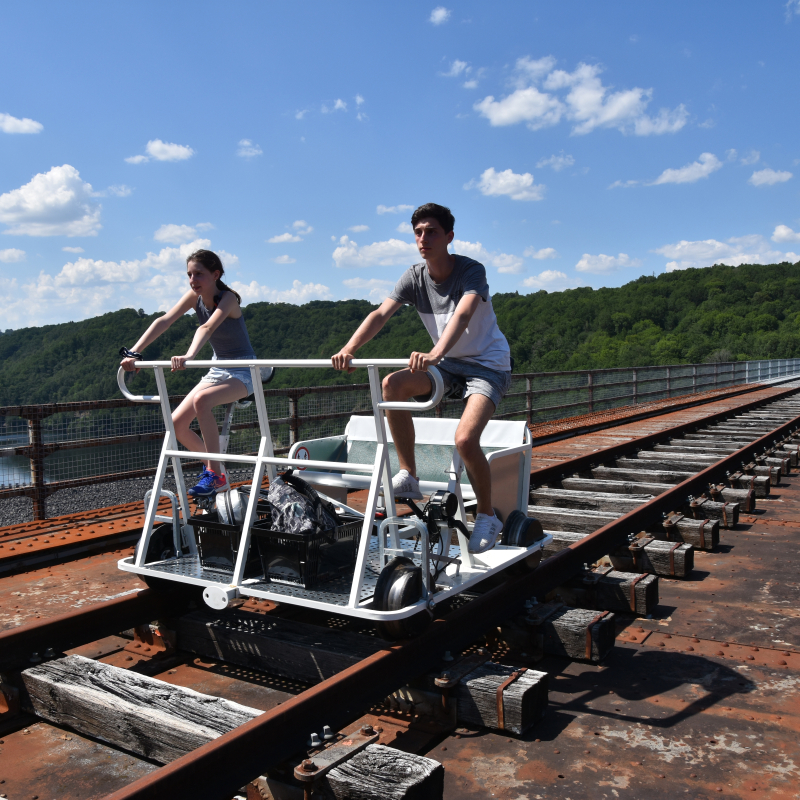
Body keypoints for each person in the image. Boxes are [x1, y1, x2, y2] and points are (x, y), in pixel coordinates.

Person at [331, 203, 512, 553]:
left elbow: (462, 315)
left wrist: (435, 354)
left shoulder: (471, 271)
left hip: (488, 365)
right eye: (418, 232)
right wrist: (349, 347)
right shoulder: (414, 276)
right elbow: (381, 313)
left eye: (431, 232)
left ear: (449, 237)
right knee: (392, 385)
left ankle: (488, 516)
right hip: (448, 362)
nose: (423, 238)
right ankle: (409, 475)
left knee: (465, 440)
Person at [120, 249, 262, 497]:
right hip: (219, 368)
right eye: (189, 274)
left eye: (199, 274)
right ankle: (215, 468)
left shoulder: (228, 299)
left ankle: (216, 475)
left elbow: (207, 326)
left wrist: (189, 355)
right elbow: (164, 321)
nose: (192, 280)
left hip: (244, 370)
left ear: (215, 274)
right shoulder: (194, 297)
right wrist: (134, 352)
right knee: (175, 424)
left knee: (201, 401)